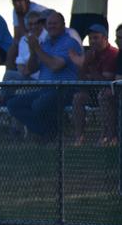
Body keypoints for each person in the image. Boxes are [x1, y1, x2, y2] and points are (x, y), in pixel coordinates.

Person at [6, 12, 81, 142]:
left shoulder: (69, 42)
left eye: (55, 23)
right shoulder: (45, 43)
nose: (51, 26)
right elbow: (31, 69)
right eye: (49, 24)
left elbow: (55, 65)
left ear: (63, 25)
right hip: (44, 89)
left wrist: (37, 49)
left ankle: (50, 134)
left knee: (38, 105)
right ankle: (47, 131)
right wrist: (33, 51)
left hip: (64, 89)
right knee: (13, 104)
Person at [69, 24, 118, 147]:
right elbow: (81, 80)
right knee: (78, 98)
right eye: (90, 39)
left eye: (96, 38)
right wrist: (85, 64)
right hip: (93, 93)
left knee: (103, 96)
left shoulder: (111, 54)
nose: (92, 42)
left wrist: (90, 67)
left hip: (111, 94)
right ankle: (79, 137)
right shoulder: (90, 54)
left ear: (105, 39)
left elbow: (105, 82)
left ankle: (109, 136)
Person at [5, 0, 47, 71]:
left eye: (19, 0)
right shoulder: (16, 11)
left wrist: (20, 17)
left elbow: (36, 32)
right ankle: (11, 76)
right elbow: (17, 36)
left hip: (43, 41)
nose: (17, 4)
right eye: (14, 1)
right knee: (12, 50)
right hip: (27, 39)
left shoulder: (38, 10)